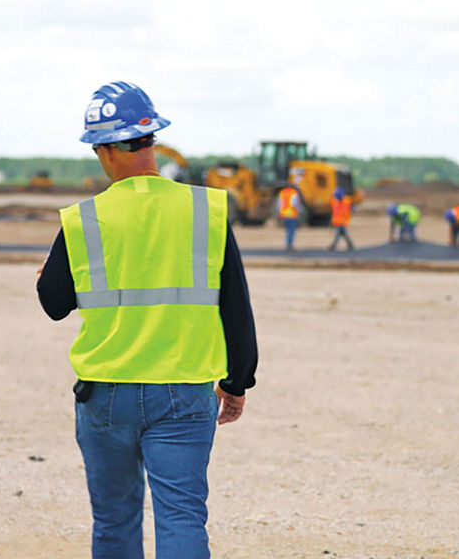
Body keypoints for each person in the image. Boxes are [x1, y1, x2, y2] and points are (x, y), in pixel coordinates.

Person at [36, 82, 258, 559]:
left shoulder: (84, 219)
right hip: (183, 388)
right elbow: (236, 305)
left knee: (115, 518)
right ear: (150, 140)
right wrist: (237, 382)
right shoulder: (206, 209)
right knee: (181, 516)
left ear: (105, 151)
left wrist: (64, 276)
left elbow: (53, 302)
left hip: (106, 392)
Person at [328, 187, 355, 251]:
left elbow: (352, 206)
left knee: (338, 234)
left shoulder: (347, 201)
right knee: (343, 234)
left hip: (343, 221)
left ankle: (334, 245)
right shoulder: (334, 202)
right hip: (337, 221)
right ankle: (350, 244)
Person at [278, 183, 302, 251]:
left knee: (287, 231)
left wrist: (279, 214)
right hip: (292, 215)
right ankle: (289, 245)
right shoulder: (294, 193)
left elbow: (280, 204)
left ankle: (288, 244)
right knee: (291, 231)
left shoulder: (283, 192)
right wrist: (299, 211)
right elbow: (294, 203)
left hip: (284, 215)